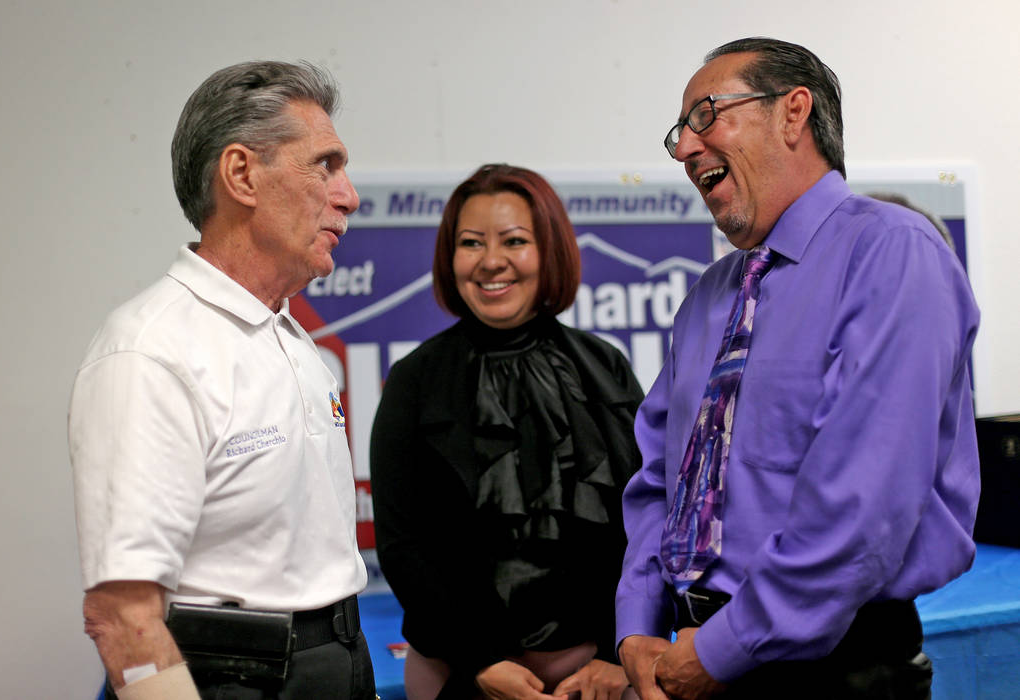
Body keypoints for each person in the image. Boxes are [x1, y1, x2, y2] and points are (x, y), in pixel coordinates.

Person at [615, 38, 980, 700]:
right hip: (693, 658)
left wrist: (725, 649)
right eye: (679, 133)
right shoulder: (709, 297)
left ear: (794, 112)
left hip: (835, 667)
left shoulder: (892, 253)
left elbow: (861, 504)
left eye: (706, 115)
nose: (685, 149)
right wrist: (638, 626)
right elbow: (658, 481)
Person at [68, 60, 376, 699]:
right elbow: (122, 617)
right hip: (236, 678)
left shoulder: (292, 341)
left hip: (336, 661)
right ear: (241, 174)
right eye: (325, 164)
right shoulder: (150, 351)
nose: (348, 195)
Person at [371, 163, 644, 700]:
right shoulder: (414, 381)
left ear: (549, 251)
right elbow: (403, 546)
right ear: (451, 259)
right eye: (471, 243)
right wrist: (479, 660)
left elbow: (646, 524)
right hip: (459, 674)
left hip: (600, 681)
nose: (492, 261)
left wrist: (619, 654)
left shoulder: (605, 368)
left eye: (514, 241)